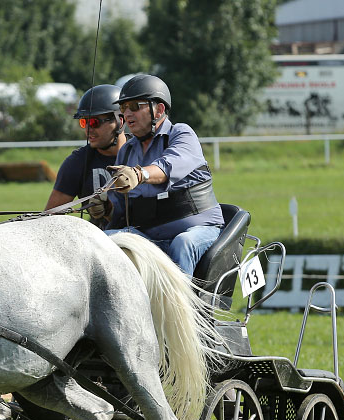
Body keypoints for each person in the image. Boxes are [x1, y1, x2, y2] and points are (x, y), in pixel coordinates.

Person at [96, 74, 224, 276]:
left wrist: (140, 174)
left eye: (135, 107)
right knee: (104, 240)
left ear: (159, 109)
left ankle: (184, 307)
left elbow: (168, 167)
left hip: (199, 230)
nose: (127, 114)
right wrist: (104, 208)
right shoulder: (126, 151)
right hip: (148, 237)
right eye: (123, 108)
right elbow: (121, 209)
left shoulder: (182, 134)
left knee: (183, 244)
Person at [44, 84, 127, 227]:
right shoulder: (77, 163)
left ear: (120, 121)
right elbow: (48, 219)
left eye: (94, 122)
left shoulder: (144, 152)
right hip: (99, 243)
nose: (88, 130)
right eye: (84, 122)